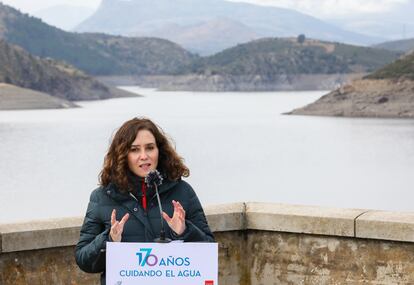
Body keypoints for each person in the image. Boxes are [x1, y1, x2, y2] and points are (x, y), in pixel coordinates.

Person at [75, 117, 214, 284]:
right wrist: (110, 239)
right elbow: (84, 260)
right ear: (122, 154)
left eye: (150, 148)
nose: (144, 156)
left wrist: (184, 230)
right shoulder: (101, 197)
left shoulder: (183, 191)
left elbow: (208, 251)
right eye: (134, 149)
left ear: (159, 150)